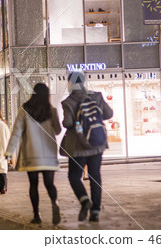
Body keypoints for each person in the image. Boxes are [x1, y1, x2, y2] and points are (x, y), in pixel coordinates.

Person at [5, 83, 62, 225]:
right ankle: (55, 203)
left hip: (31, 155)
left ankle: (37, 215)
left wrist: (9, 152)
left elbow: (17, 132)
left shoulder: (25, 109)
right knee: (49, 183)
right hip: (49, 155)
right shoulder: (51, 110)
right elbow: (58, 131)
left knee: (33, 184)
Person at [61, 70, 113, 223]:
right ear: (83, 82)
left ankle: (84, 200)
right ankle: (95, 211)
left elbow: (68, 123)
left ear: (70, 83)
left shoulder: (68, 102)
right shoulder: (96, 96)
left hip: (78, 147)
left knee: (74, 176)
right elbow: (108, 114)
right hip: (97, 144)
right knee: (95, 176)